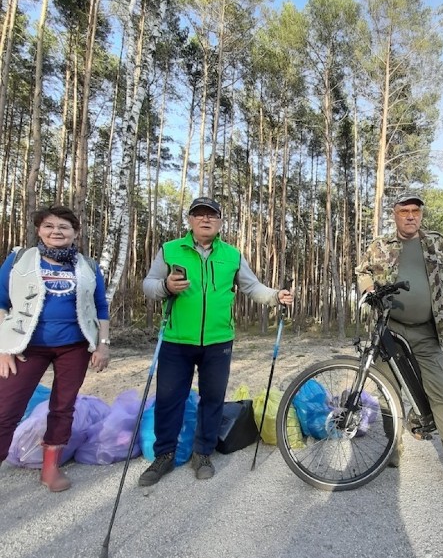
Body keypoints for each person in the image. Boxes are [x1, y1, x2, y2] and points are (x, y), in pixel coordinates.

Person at [139, 196, 293, 486]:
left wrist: (275, 296)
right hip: (176, 340)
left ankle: (203, 453)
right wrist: (165, 286)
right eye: (199, 214)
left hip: (218, 341)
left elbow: (252, 287)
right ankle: (164, 455)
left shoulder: (232, 255)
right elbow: (148, 285)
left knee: (212, 400)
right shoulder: (170, 250)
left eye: (211, 215)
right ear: (190, 221)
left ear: (220, 222)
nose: (205, 219)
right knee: (169, 400)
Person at [355, 193, 443, 498]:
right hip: (388, 329)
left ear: (420, 215)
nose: (410, 216)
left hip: (427, 330)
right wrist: (369, 289)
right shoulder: (380, 246)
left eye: (415, 211)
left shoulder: (437, 243)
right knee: (387, 390)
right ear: (394, 214)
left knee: (440, 394)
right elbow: (363, 271)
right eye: (404, 211)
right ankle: (393, 445)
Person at [0, 205, 110, 491]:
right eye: (49, 225)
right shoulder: (19, 260)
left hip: (74, 346)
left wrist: (103, 344)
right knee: (6, 408)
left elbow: (100, 307)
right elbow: (1, 302)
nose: (56, 231)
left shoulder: (88, 266)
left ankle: (50, 468)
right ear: (39, 230)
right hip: (26, 346)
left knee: (63, 407)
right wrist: (3, 346)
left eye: (64, 227)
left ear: (75, 233)